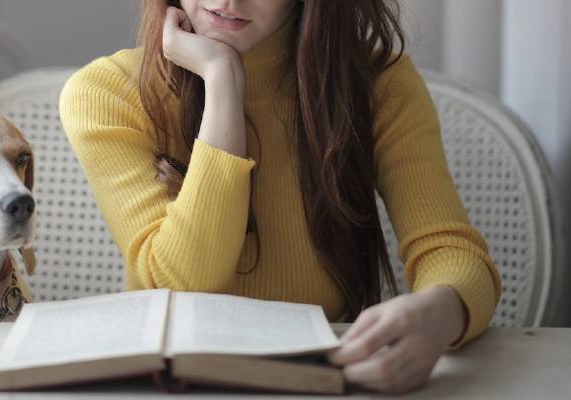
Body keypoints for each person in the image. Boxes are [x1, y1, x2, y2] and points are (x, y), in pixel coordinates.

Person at [60, 0, 501, 393]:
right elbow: (184, 284)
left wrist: (441, 313)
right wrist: (222, 78)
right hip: (169, 386)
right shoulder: (107, 92)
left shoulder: (380, 85)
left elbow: (449, 249)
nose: (227, 1)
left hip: (324, 380)